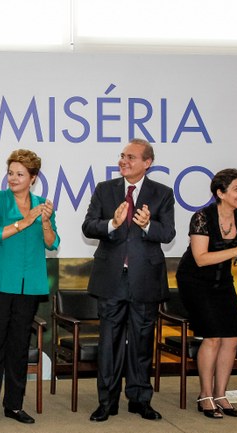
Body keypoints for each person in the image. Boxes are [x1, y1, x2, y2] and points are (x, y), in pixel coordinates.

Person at [82, 138, 176, 422]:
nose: (123, 161)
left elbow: (168, 233)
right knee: (109, 343)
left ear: (147, 163)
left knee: (142, 342)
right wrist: (112, 223)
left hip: (145, 279)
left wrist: (148, 224)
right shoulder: (105, 189)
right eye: (122, 156)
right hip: (111, 279)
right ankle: (106, 402)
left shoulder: (162, 193)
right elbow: (88, 226)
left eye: (131, 157)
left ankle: (139, 399)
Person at [0, 149, 59, 428]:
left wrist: (44, 221)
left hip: (29, 283)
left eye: (19, 174)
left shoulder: (42, 204)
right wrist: (25, 221)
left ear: (33, 178)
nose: (12, 178)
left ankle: (14, 405)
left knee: (20, 345)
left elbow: (52, 243)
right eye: (10, 173)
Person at [175, 169, 237, 418]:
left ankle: (221, 395)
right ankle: (205, 396)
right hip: (194, 281)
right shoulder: (202, 217)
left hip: (223, 281)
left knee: (231, 338)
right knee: (212, 337)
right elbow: (201, 259)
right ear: (220, 193)